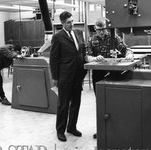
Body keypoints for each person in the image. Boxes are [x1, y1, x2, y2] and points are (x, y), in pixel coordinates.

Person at [86, 18, 134, 139]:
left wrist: (129, 55)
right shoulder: (92, 40)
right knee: (100, 102)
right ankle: (101, 129)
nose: (101, 32)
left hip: (113, 72)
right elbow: (87, 55)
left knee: (114, 99)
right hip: (98, 73)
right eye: (98, 30)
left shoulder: (114, 37)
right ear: (95, 29)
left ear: (106, 28)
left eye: (103, 30)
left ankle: (116, 128)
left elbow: (126, 49)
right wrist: (93, 58)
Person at [49, 11, 87, 142]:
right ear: (62, 23)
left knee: (76, 102)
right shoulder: (57, 37)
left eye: (72, 21)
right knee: (63, 104)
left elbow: (82, 50)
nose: (72, 24)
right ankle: (60, 130)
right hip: (65, 76)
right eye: (68, 22)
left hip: (78, 74)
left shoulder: (78, 33)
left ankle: (72, 127)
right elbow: (53, 59)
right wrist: (55, 77)